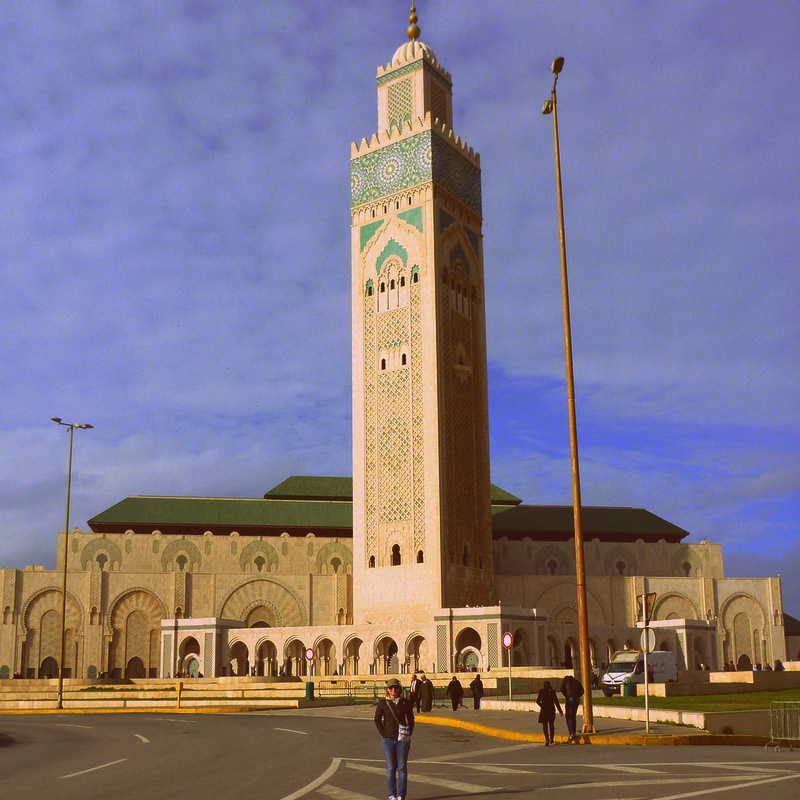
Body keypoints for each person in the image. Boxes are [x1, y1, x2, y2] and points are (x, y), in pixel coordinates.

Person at [374, 677, 414, 800]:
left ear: (399, 689)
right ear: (387, 690)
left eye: (395, 687)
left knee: (402, 768)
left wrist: (408, 733)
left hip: (402, 740)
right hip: (388, 740)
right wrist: (384, 733)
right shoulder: (383, 703)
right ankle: (392, 794)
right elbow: (377, 720)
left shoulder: (405, 702)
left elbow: (411, 720)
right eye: (391, 688)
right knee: (391, 768)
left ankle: (401, 795)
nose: (393, 690)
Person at [535, 680, 562, 746]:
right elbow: (556, 702)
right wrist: (560, 711)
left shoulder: (542, 691)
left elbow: (538, 701)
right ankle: (551, 739)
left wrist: (542, 705)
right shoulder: (552, 692)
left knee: (545, 726)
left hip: (544, 710)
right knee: (551, 725)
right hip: (551, 710)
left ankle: (547, 740)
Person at [559, 673, 584, 742]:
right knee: (573, 715)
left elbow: (561, 688)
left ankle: (572, 732)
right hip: (576, 699)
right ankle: (574, 731)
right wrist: (578, 695)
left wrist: (566, 695)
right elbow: (582, 690)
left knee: (568, 716)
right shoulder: (576, 681)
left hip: (570, 698)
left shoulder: (565, 680)